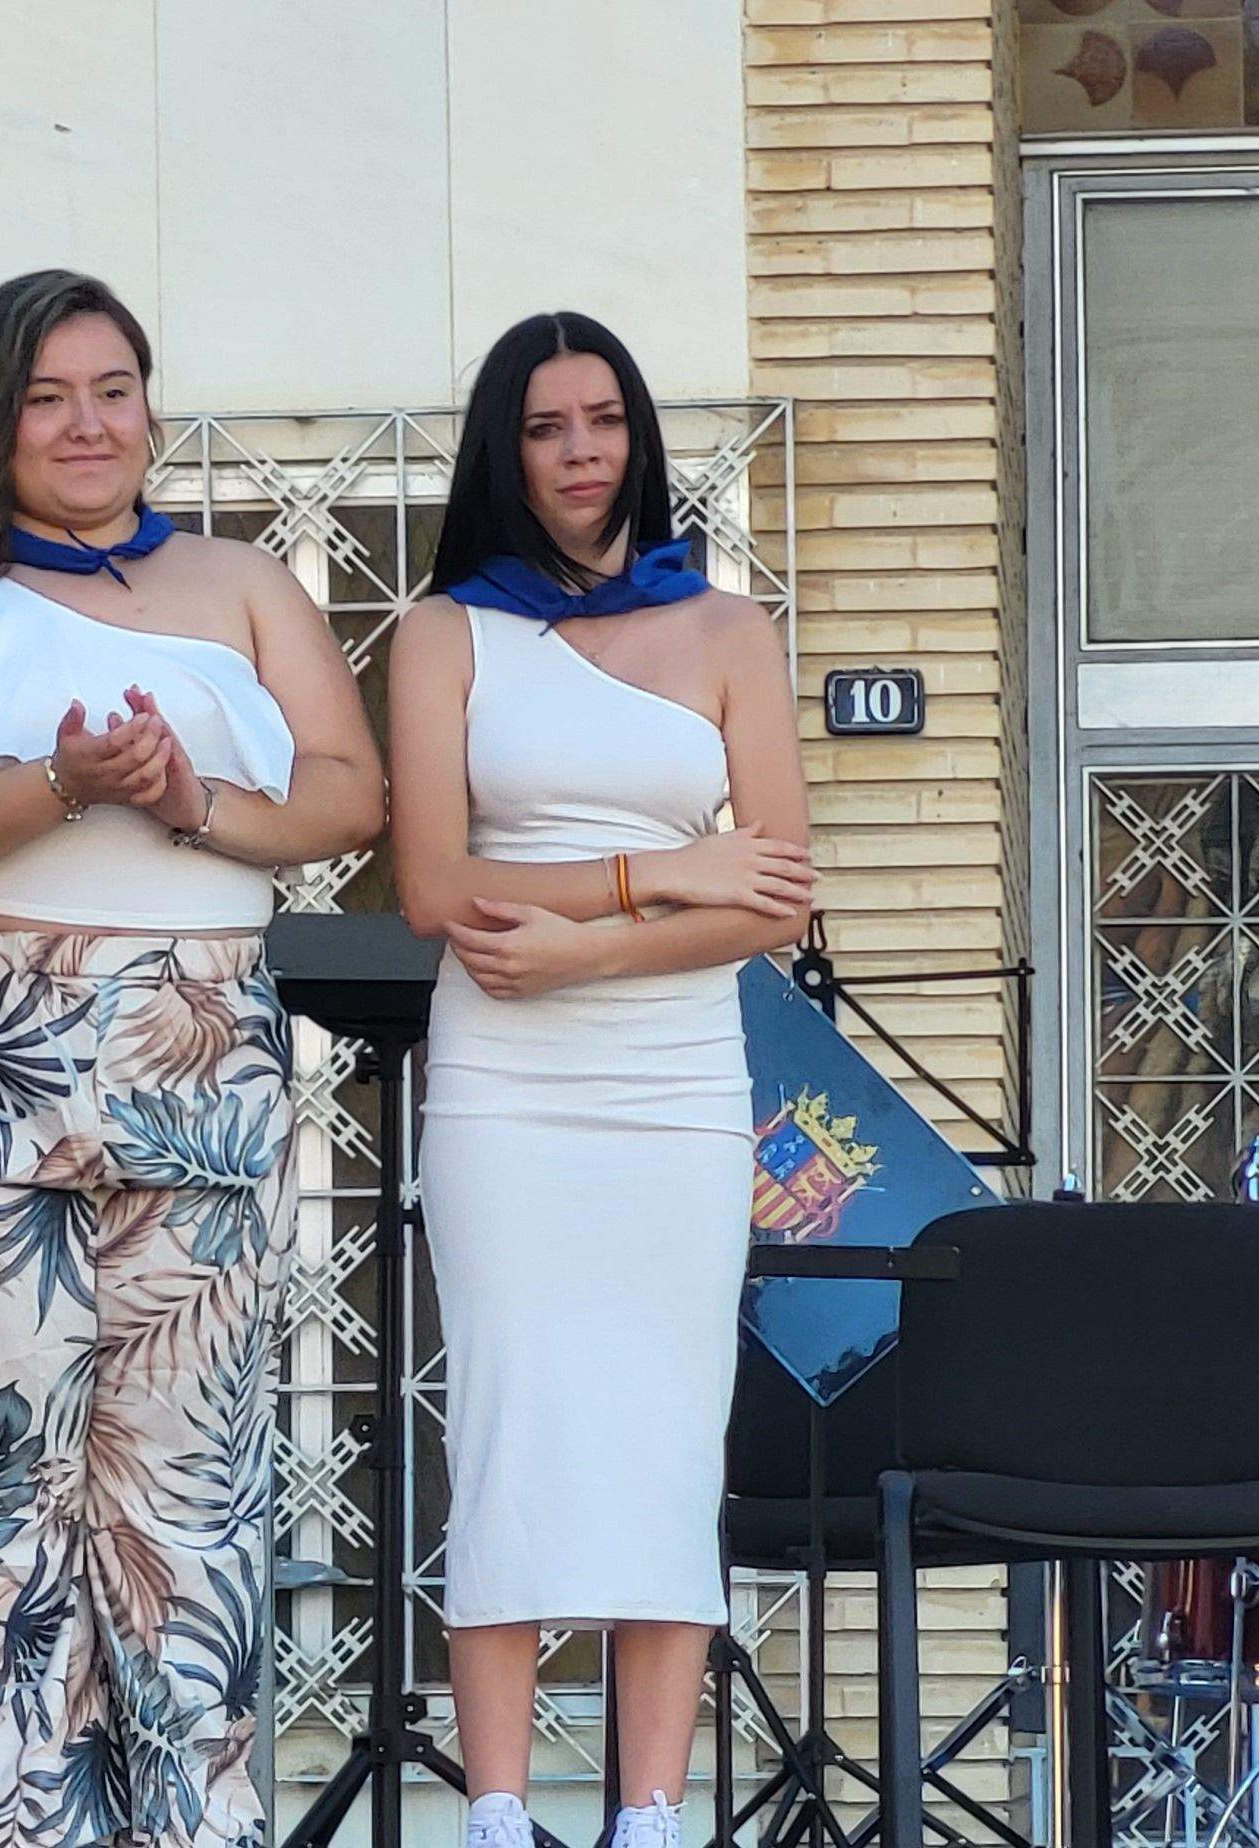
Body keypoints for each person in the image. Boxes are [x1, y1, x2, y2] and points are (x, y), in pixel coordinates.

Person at [0, 268, 383, 1848]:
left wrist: (189, 801)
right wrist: (57, 785)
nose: (86, 423)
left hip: (202, 1044)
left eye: (112, 388)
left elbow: (347, 795)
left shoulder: (244, 580)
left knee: (186, 1498)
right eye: (49, 395)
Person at [390, 311, 814, 1848]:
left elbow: (780, 898)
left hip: (673, 1079)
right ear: (506, 453)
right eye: (548, 429)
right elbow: (437, 889)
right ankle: (498, 1811)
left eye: (605, 421)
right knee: (508, 1422)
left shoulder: (727, 631)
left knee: (661, 1430)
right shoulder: (445, 631)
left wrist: (583, 935)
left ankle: (651, 1815)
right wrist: (665, 869)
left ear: (639, 435)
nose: (581, 454)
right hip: (506, 1088)